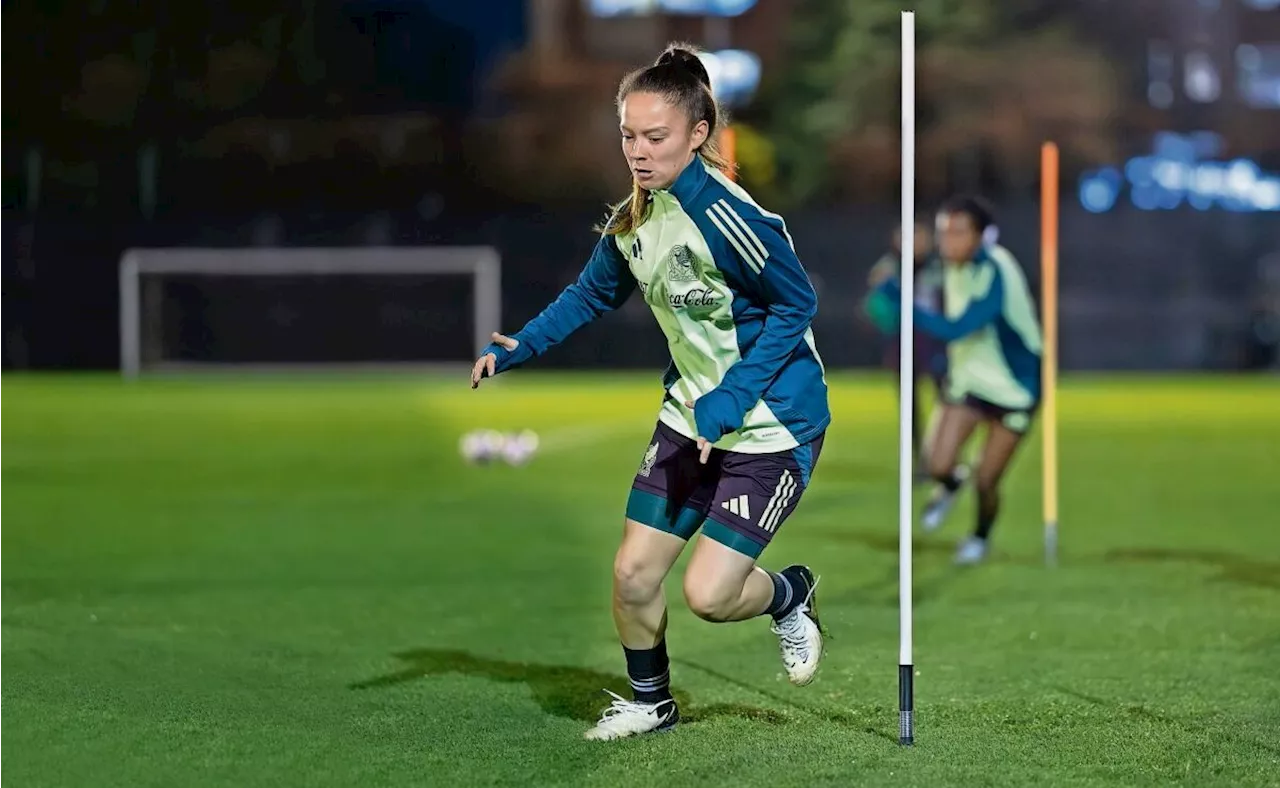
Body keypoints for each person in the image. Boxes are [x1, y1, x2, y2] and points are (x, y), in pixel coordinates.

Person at [470, 43, 830, 740]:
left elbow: (797, 304)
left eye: (654, 137)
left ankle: (790, 593)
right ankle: (650, 703)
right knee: (634, 574)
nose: (637, 150)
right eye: (628, 135)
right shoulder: (634, 218)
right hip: (691, 416)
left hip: (770, 424)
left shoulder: (731, 217)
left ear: (697, 135)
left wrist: (730, 398)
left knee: (711, 596)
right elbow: (590, 294)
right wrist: (523, 344)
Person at [878, 196, 1042, 564]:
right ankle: (951, 484)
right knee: (937, 465)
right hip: (969, 382)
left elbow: (957, 328)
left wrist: (898, 299)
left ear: (982, 236)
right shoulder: (949, 264)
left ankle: (979, 537)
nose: (948, 241)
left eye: (958, 233)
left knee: (987, 479)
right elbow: (913, 263)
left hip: (1016, 388)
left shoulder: (997, 270)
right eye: (944, 233)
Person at [862, 219, 948, 480]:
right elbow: (874, 298)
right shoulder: (890, 266)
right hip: (904, 341)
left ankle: (944, 456)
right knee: (910, 406)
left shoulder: (939, 265)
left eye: (918, 236)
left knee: (947, 402)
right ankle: (920, 460)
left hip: (936, 342)